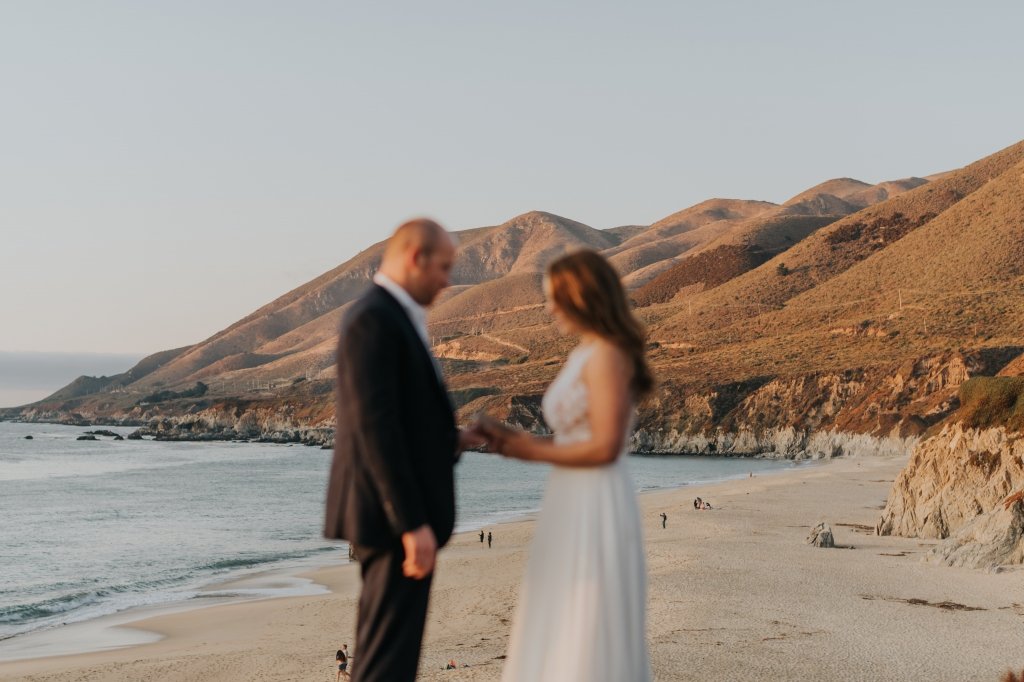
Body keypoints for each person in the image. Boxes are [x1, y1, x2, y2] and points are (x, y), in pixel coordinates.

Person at [479, 249, 654, 681]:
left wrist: (528, 452)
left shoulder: (609, 355)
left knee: (587, 618)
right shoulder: (584, 353)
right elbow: (575, 436)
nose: (550, 307)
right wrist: (511, 439)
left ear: (582, 297)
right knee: (557, 612)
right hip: (568, 497)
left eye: (555, 297)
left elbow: (605, 446)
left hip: (595, 498)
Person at [324, 218, 485, 682]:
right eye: (444, 266)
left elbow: (402, 422)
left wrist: (453, 439)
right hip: (393, 522)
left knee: (394, 659)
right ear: (415, 257)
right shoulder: (374, 319)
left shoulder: (392, 317)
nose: (448, 280)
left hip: (399, 521)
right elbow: (376, 428)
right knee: (385, 664)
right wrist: (411, 524)